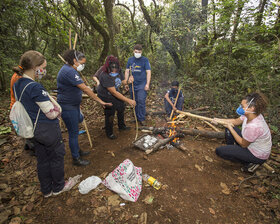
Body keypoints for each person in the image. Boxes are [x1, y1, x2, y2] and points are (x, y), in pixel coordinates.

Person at [12, 50, 71, 197]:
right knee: (56, 157)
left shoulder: (18, 83)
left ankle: (46, 190)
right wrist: (57, 107)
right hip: (47, 129)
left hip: (32, 129)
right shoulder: (35, 87)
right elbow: (51, 113)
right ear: (34, 68)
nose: (43, 71)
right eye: (42, 68)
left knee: (43, 160)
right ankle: (58, 187)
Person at [57, 49, 112, 166]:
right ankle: (76, 158)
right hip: (68, 106)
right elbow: (85, 89)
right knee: (73, 132)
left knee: (75, 130)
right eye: (82, 63)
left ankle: (77, 150)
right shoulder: (69, 72)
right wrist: (100, 101)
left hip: (73, 105)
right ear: (74, 60)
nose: (83, 66)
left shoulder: (71, 69)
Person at [214, 92, 272, 173]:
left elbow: (243, 144)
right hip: (250, 144)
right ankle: (233, 152)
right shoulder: (250, 114)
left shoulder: (254, 126)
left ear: (252, 108)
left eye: (242, 106)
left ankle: (250, 162)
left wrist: (231, 128)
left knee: (219, 151)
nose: (240, 107)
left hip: (257, 154)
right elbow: (235, 121)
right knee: (228, 130)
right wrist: (218, 120)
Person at [97, 56, 136, 139]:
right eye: (112, 69)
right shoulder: (104, 75)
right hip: (105, 95)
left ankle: (121, 126)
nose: (114, 70)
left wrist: (128, 81)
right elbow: (114, 92)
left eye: (116, 68)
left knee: (121, 107)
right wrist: (128, 100)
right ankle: (109, 132)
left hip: (115, 92)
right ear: (108, 67)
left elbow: (122, 81)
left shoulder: (119, 70)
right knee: (110, 112)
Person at [124, 44, 151, 126]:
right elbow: (127, 71)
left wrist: (147, 84)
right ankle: (136, 117)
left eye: (139, 52)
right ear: (133, 51)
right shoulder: (130, 60)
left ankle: (142, 118)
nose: (137, 53)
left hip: (142, 84)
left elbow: (148, 72)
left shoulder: (145, 60)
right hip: (132, 84)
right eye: (136, 52)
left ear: (141, 52)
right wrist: (126, 82)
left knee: (141, 101)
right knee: (134, 101)